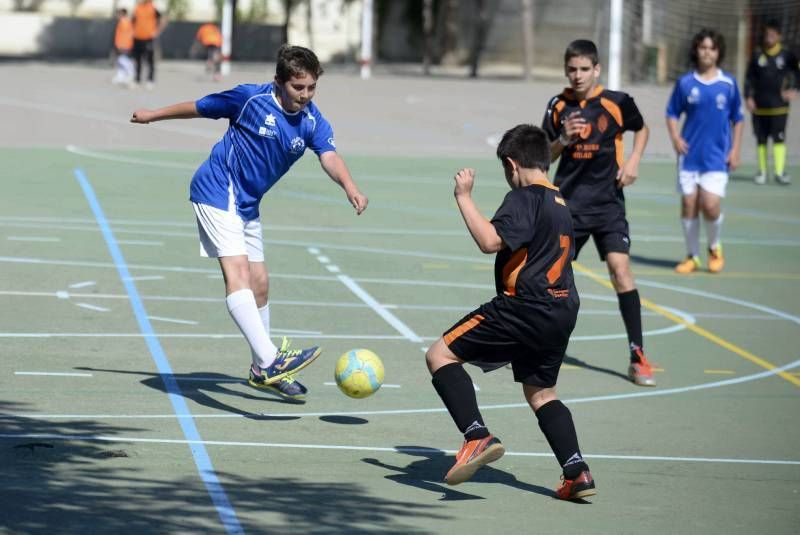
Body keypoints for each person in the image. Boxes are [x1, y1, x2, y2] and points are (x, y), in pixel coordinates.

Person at [130, 45, 368, 400]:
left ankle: (261, 369)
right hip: (217, 189)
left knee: (260, 282)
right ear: (279, 82)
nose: (304, 96)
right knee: (238, 273)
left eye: (311, 88)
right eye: (297, 88)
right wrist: (152, 115)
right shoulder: (249, 99)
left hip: (247, 204)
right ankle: (271, 360)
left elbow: (329, 156)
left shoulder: (313, 121)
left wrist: (350, 186)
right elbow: (198, 107)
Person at [426, 124, 595, 500]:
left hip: (524, 306)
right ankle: (576, 471)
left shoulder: (524, 197)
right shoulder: (560, 203)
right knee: (541, 392)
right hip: (563, 309)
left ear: (511, 164)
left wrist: (463, 196)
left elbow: (490, 241)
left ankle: (476, 435)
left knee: (439, 354)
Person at [541, 39, 655, 387]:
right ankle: (538, 344)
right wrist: (563, 137)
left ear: (597, 69)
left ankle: (637, 355)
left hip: (608, 204)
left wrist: (633, 160)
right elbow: (545, 157)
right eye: (571, 69)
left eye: (584, 69)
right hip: (568, 206)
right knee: (551, 279)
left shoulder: (617, 102)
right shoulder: (558, 105)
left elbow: (643, 128)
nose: (577, 76)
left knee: (621, 271)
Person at [666, 29, 743, 275]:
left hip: (717, 157)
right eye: (702, 47)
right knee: (689, 204)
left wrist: (735, 150)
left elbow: (738, 118)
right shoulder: (686, 83)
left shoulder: (728, 84)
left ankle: (714, 247)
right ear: (696, 50)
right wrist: (676, 137)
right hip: (689, 156)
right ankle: (692, 256)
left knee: (709, 205)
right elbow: (671, 113)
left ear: (718, 52)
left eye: (712, 48)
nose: (707, 52)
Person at [745, 19, 800, 185]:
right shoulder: (756, 55)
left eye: (772, 34)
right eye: (767, 34)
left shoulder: (787, 55)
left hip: (779, 107)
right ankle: (761, 172)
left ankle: (779, 172)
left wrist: (794, 89)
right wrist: (748, 96)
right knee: (761, 140)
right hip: (760, 107)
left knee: (779, 139)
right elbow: (749, 78)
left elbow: (797, 73)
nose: (769, 37)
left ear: (779, 36)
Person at [132, 0, 166, 89]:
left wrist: (157, 31)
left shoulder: (153, 7)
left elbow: (163, 19)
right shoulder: (137, 7)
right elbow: (133, 20)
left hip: (148, 38)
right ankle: (137, 80)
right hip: (137, 37)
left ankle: (150, 80)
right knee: (137, 60)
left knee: (149, 61)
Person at [112, 8, 135, 87]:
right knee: (120, 61)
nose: (118, 15)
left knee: (122, 59)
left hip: (124, 45)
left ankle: (131, 73)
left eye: (119, 13)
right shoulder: (122, 22)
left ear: (123, 14)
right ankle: (120, 76)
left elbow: (127, 35)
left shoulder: (125, 22)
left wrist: (122, 45)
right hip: (121, 44)